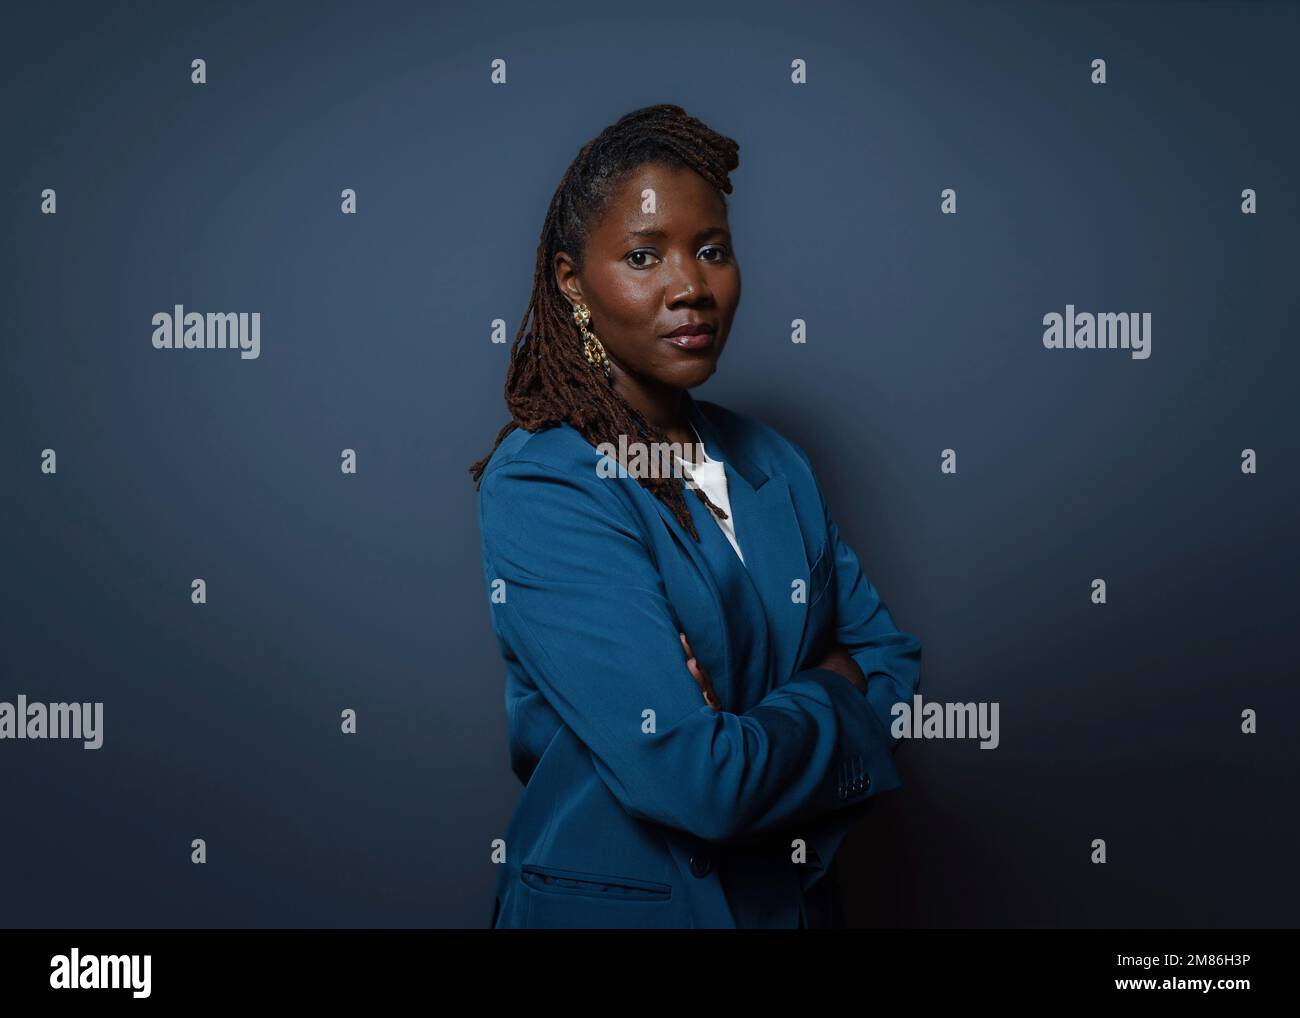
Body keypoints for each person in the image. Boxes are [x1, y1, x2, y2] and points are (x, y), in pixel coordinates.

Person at [470, 103, 922, 928]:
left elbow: (892, 661)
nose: (691, 287)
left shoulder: (772, 461)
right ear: (574, 285)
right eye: (644, 256)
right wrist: (832, 684)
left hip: (792, 905)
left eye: (711, 250)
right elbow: (697, 782)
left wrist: (750, 726)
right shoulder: (546, 485)